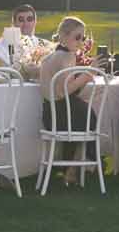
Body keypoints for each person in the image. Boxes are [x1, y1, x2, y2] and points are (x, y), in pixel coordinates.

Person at [36, 16, 102, 174]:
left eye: (83, 38)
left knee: (82, 112)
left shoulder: (50, 57)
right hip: (61, 116)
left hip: (50, 114)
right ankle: (82, 165)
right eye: (77, 37)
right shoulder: (67, 56)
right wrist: (89, 73)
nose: (81, 42)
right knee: (88, 116)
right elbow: (65, 90)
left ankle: (69, 169)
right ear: (64, 37)